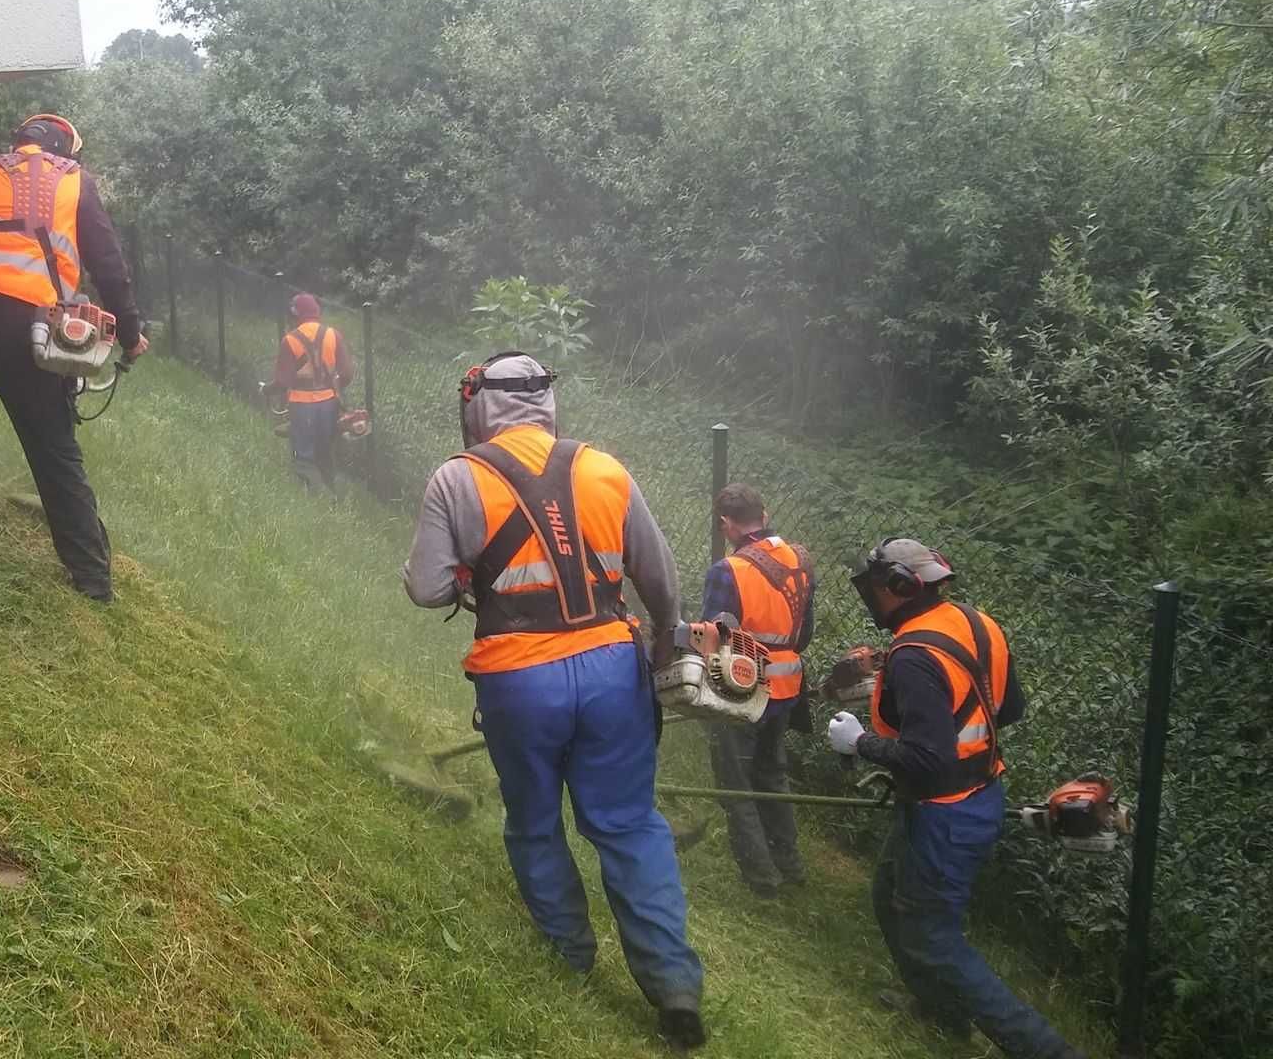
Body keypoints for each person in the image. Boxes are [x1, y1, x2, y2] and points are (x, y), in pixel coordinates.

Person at [402, 352, 707, 1050]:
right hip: (610, 669)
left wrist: (463, 576)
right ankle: (673, 983)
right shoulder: (605, 468)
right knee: (629, 825)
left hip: (518, 677)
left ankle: (569, 952)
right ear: (545, 404)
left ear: (479, 406)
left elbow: (426, 589)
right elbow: (660, 580)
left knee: (535, 820)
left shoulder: (458, 478)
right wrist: (663, 645)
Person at [826, 538, 1087, 1059]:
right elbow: (1008, 708)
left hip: (943, 813)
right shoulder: (975, 622)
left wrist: (860, 742)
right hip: (976, 792)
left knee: (933, 938)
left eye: (877, 590)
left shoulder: (914, 657)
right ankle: (940, 1010)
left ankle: (1049, 1051)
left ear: (901, 589)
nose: (871, 600)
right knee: (888, 894)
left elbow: (929, 758)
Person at [0, 113, 148, 602]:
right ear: (67, 151)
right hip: (31, 322)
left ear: (17, 143)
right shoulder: (75, 181)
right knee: (51, 446)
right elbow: (109, 265)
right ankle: (92, 579)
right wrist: (129, 333)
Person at [700, 483, 815, 897]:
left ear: (727, 524)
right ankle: (790, 864)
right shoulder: (801, 560)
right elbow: (805, 632)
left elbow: (712, 635)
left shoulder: (728, 571)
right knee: (772, 774)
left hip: (743, 684)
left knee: (736, 782)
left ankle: (761, 878)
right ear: (764, 514)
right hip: (788, 684)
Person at [266, 294, 353, 487]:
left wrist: (266, 390)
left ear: (294, 314)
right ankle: (332, 498)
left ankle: (316, 498)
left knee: (304, 457)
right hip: (330, 405)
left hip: (301, 407)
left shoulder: (290, 340)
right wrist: (332, 389)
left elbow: (282, 381)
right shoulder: (333, 335)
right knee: (325, 453)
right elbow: (346, 374)